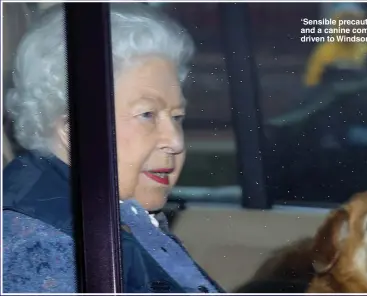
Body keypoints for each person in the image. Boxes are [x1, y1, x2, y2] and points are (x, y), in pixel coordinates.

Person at [2, 4, 224, 293]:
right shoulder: (43, 253)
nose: (176, 141)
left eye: (177, 117)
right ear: (73, 130)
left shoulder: (116, 216)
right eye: (147, 115)